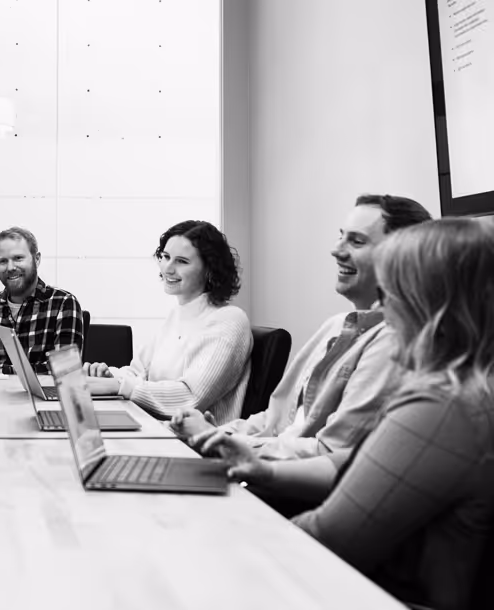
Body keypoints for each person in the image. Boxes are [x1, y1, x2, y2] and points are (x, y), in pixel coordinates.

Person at [192, 219, 494, 610]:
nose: (384, 312)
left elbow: (327, 539)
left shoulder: (442, 408)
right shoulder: (465, 390)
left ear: (430, 307)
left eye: (390, 294)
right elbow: (360, 462)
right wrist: (265, 471)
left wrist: (223, 539)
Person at [173, 195, 432, 458]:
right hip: (260, 462)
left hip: (276, 476)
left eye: (357, 241)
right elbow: (275, 419)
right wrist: (219, 434)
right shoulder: (335, 326)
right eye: (341, 236)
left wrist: (222, 443)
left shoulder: (393, 342)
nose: (336, 250)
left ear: (403, 257)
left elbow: (328, 453)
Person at [83, 220, 252, 425]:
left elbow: (190, 398)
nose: (168, 268)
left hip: (193, 439)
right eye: (165, 257)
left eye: (182, 261)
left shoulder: (229, 320)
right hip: (156, 427)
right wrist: (108, 376)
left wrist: (119, 385)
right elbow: (138, 372)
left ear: (210, 269)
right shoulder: (177, 315)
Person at [0, 226, 84, 374]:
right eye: (3, 261)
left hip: (42, 391)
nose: (10, 267)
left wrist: (2, 371)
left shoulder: (63, 303)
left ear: (37, 259)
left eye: (18, 258)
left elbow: (66, 370)